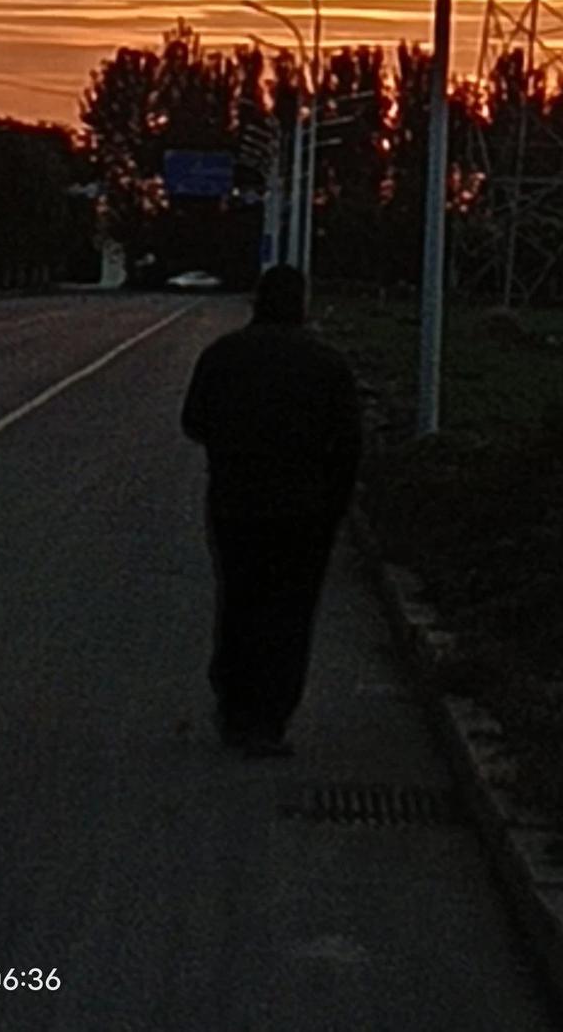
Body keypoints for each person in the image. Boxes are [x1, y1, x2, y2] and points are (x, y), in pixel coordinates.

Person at [181, 264, 363, 758]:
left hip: (235, 503)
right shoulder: (328, 365)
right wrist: (336, 505)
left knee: (240, 601)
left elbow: (193, 423)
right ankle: (270, 716)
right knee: (289, 611)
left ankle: (235, 707)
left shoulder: (223, 355)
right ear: (302, 304)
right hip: (305, 511)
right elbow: (348, 444)